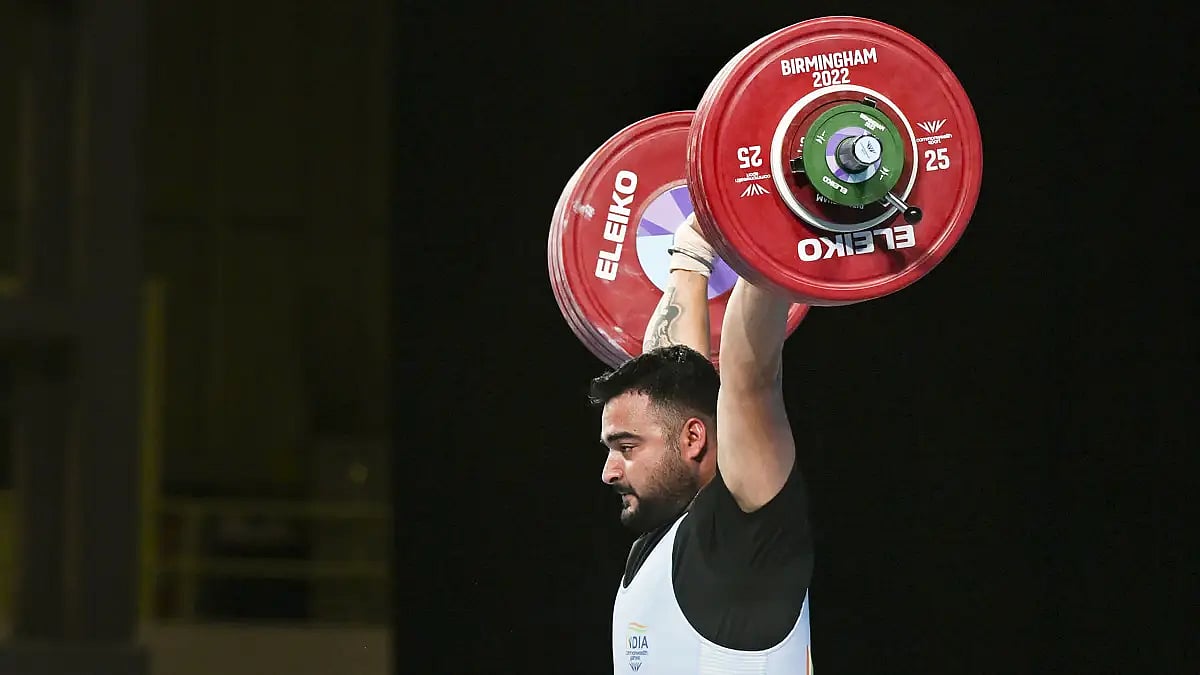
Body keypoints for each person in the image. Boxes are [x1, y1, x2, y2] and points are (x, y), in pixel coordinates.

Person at [589, 215, 814, 673]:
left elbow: (750, 380)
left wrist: (773, 221)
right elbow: (670, 373)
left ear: (694, 438)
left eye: (626, 447)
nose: (608, 471)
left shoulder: (742, 541)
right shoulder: (665, 537)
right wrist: (691, 254)